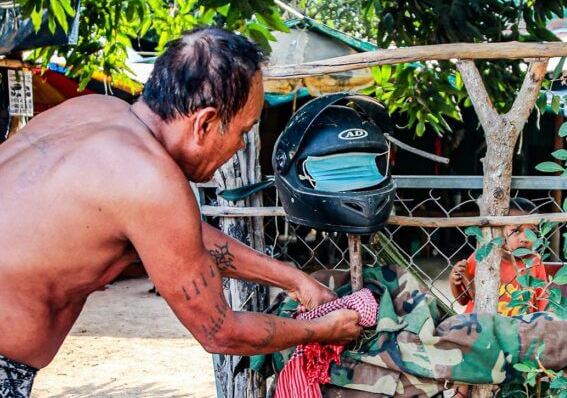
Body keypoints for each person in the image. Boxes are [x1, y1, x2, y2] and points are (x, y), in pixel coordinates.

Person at [0, 28, 362, 397]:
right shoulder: (151, 182)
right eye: (242, 131)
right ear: (204, 123)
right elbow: (222, 332)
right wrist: (324, 330)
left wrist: (294, 280)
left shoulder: (92, 111)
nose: (239, 146)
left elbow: (185, 235)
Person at [450, 198, 549, 316]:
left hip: (519, 327)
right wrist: (455, 281)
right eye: (516, 231)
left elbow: (543, 300)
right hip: (481, 324)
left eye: (532, 232)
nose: (525, 239)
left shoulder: (534, 261)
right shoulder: (483, 256)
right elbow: (463, 300)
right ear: (499, 231)